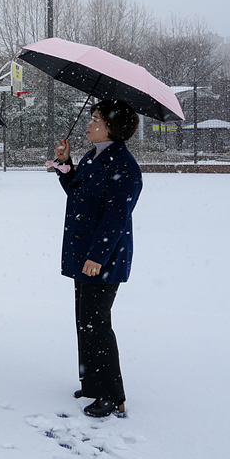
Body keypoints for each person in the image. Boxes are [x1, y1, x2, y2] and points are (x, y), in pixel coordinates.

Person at [52, 99, 144, 418]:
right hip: (85, 256)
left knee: (97, 324)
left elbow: (116, 218)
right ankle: (91, 381)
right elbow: (78, 193)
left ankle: (112, 394)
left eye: (95, 119)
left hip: (102, 260)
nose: (89, 123)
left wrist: (97, 257)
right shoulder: (94, 157)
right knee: (85, 321)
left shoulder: (125, 167)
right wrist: (64, 163)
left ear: (111, 128)